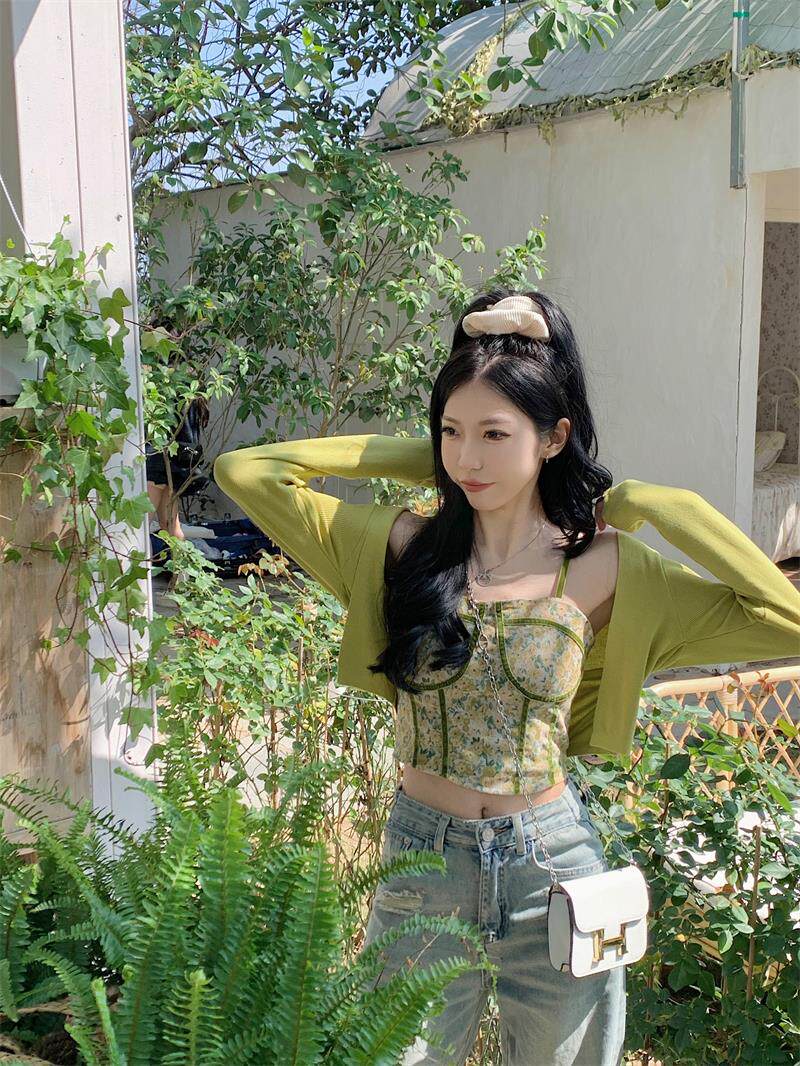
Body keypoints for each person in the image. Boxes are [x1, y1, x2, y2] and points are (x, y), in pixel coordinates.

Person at [213, 289, 800, 1065]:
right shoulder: (398, 547)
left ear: (554, 437)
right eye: (452, 432)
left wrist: (664, 506)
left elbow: (784, 618)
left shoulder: (607, 568)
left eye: (495, 434)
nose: (469, 459)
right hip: (422, 861)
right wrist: (419, 456)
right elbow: (246, 471)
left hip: (551, 863)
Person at [146, 396, 209, 541]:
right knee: (171, 527)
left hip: (156, 459)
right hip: (175, 458)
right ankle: (182, 555)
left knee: (139, 529)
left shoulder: (170, 392)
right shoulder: (188, 393)